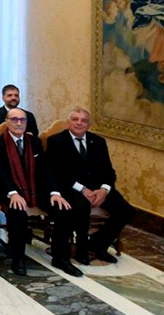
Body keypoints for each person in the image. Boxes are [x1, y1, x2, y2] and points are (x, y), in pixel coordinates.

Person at [0, 108, 79, 276]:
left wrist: (55, 193)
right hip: (9, 191)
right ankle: (18, 259)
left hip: (35, 190)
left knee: (63, 210)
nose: (18, 123)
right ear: (7, 122)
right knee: (18, 213)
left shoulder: (34, 141)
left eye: (22, 120)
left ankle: (60, 257)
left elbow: (46, 168)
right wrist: (12, 193)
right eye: (14, 119)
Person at [44, 107, 134, 265]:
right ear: (68, 122)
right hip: (71, 188)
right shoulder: (56, 141)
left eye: (84, 120)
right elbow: (58, 173)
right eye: (75, 119)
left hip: (98, 189)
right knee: (82, 206)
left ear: (89, 124)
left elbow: (108, 170)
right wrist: (83, 189)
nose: (79, 123)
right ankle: (81, 249)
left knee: (126, 210)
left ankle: (98, 244)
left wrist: (104, 190)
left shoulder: (98, 142)